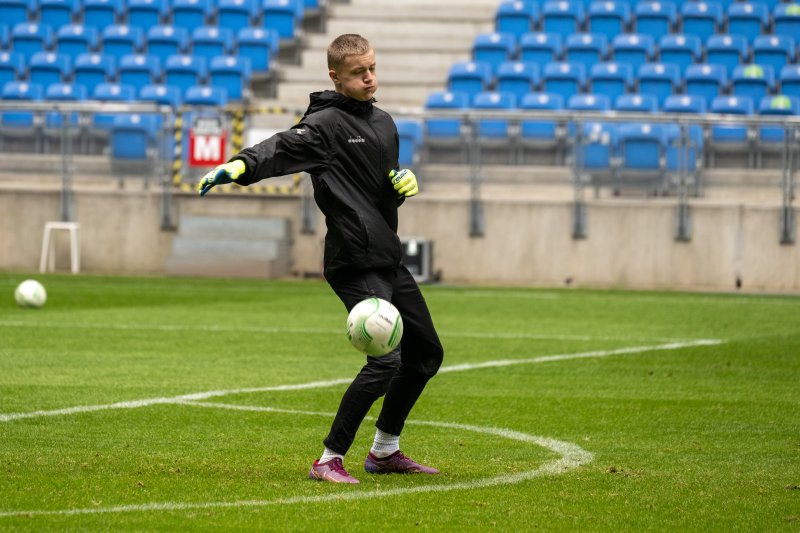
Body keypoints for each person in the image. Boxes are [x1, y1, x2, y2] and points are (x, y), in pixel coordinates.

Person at [197, 34, 444, 484]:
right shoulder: (324, 125)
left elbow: (378, 193)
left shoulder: (384, 123)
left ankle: (384, 451)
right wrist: (239, 166)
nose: (369, 78)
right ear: (335, 77)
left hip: (386, 255)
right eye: (358, 72)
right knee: (385, 361)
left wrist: (401, 184)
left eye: (372, 68)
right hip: (353, 261)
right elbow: (279, 148)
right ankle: (328, 459)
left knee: (426, 354)